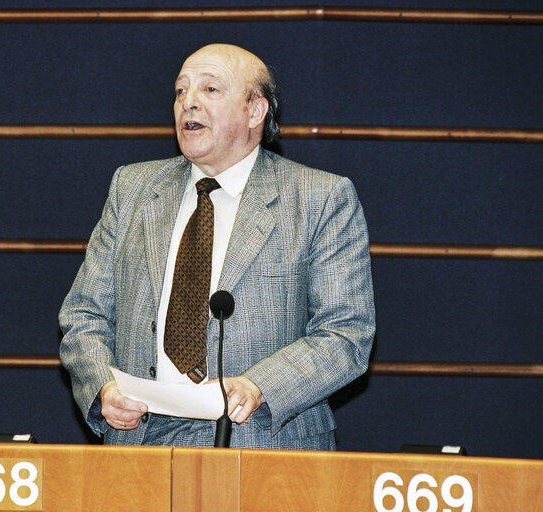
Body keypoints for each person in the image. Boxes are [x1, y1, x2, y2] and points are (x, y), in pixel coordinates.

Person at [59, 43, 375, 449]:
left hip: (261, 442)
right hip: (140, 443)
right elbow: (84, 313)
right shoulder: (132, 189)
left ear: (255, 111)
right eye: (180, 91)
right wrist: (103, 385)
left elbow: (346, 333)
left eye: (210, 90)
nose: (188, 103)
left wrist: (260, 384)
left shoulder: (320, 198)